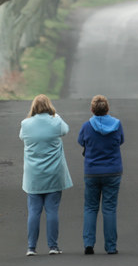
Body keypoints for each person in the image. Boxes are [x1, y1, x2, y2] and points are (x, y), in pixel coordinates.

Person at [19, 95, 72, 256]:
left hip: (33, 175)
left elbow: (22, 137)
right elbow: (66, 130)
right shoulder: (55, 121)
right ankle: (53, 246)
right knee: (52, 211)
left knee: (34, 211)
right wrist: (56, 115)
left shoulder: (25, 124)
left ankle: (31, 247)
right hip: (54, 173)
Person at [77, 95, 124, 255]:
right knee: (109, 208)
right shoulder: (117, 125)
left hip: (92, 172)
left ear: (92, 110)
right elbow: (121, 141)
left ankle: (88, 243)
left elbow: (81, 141)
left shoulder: (86, 126)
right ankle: (111, 246)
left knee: (90, 207)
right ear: (107, 109)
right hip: (113, 171)